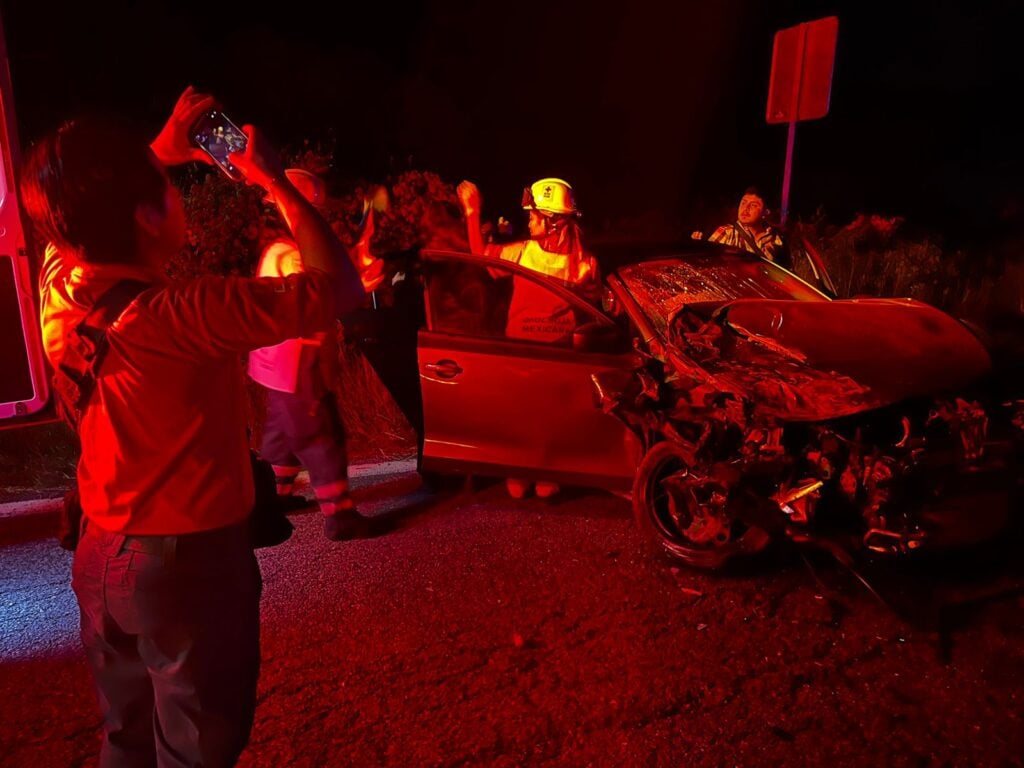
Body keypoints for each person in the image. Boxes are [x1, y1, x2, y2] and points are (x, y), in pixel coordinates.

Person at [21, 86, 365, 767]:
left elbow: (80, 220)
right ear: (150, 217)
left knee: (126, 736)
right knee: (196, 750)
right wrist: (275, 183)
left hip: (101, 557)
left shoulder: (58, 287)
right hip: (186, 569)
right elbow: (340, 291)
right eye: (167, 193)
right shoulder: (189, 313)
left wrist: (157, 153)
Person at [248, 167, 383, 541]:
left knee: (281, 430)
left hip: (275, 364)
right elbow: (317, 298)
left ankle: (278, 496)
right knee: (319, 432)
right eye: (313, 211)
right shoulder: (290, 253)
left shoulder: (277, 249)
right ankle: (340, 515)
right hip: (298, 363)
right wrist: (358, 283)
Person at [456, 177, 599, 500]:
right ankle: (521, 470)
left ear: (554, 221)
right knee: (520, 421)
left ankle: (547, 471)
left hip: (559, 358)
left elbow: (595, 316)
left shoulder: (586, 264)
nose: (528, 220)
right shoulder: (521, 251)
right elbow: (480, 258)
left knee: (550, 421)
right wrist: (471, 212)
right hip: (519, 355)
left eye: (534, 215)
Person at [693, 186, 787, 265]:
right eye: (743, 203)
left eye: (753, 205)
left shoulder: (776, 239)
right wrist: (698, 249)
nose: (745, 209)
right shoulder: (726, 233)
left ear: (766, 212)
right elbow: (707, 263)